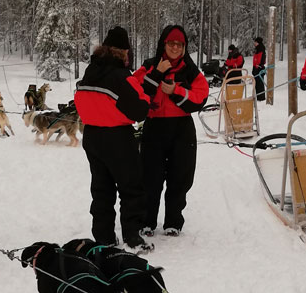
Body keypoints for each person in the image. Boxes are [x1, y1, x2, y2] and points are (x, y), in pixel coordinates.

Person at [74, 26, 153, 253]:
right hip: (118, 137)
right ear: (124, 51)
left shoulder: (91, 70)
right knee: (131, 187)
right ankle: (132, 237)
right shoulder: (121, 76)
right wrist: (146, 95)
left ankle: (104, 237)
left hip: (92, 135)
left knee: (101, 189)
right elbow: (139, 110)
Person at [132, 25, 209, 237]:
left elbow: (200, 97)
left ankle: (173, 221)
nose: (175, 48)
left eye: (179, 44)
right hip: (154, 126)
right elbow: (135, 90)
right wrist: (157, 73)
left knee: (180, 176)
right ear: (163, 44)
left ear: (184, 47)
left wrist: (176, 91)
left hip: (182, 128)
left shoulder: (190, 70)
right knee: (150, 177)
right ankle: (147, 220)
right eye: (171, 43)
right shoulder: (149, 66)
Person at [252, 36, 266, 101]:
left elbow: (260, 59)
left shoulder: (260, 49)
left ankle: (261, 97)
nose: (254, 43)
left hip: (259, 68)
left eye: (255, 42)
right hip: (257, 68)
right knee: (257, 83)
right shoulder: (257, 49)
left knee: (259, 84)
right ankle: (258, 97)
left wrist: (257, 66)